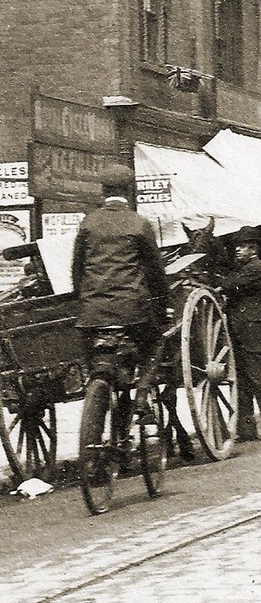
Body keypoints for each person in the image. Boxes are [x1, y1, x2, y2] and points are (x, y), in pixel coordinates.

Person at [71, 163, 170, 421]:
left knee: (93, 357)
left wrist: (82, 298)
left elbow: (77, 268)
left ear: (103, 191)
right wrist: (163, 303)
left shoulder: (88, 223)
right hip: (132, 310)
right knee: (155, 341)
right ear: (129, 190)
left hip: (92, 313)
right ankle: (141, 396)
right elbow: (155, 270)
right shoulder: (139, 223)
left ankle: (97, 389)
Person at [219, 226, 261, 441]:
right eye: (237, 246)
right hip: (243, 330)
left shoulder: (256, 268)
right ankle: (246, 428)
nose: (237, 250)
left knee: (257, 378)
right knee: (243, 379)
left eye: (242, 247)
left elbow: (230, 285)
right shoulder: (246, 267)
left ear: (253, 249)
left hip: (253, 331)